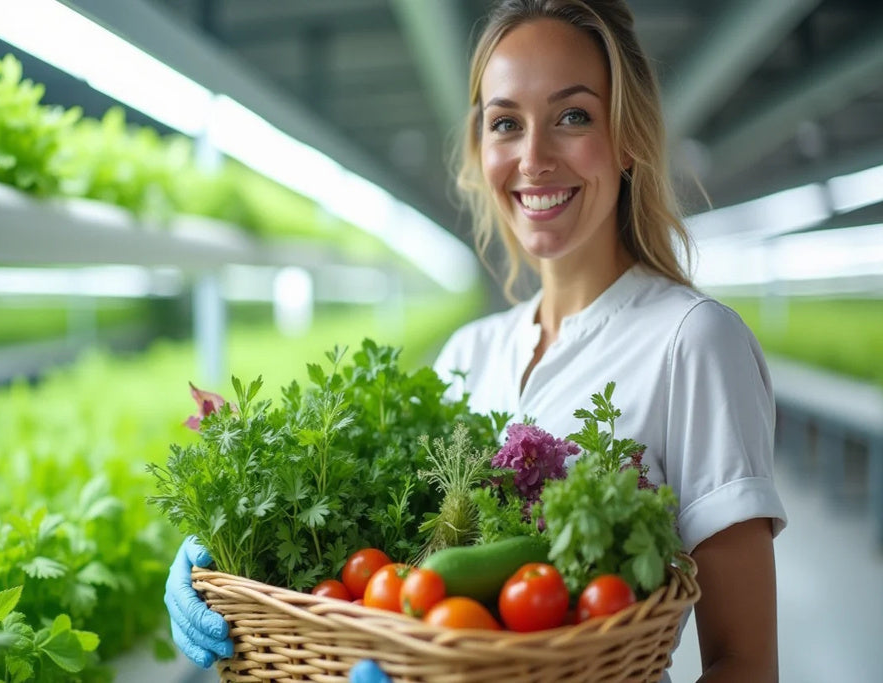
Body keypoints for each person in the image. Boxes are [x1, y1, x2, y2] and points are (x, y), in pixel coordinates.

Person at [165, 0, 788, 681]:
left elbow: (746, 664)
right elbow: (400, 578)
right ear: (481, 148)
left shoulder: (692, 342)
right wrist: (234, 569)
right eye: (505, 124)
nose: (534, 157)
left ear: (628, 135)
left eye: (572, 116)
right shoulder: (469, 354)